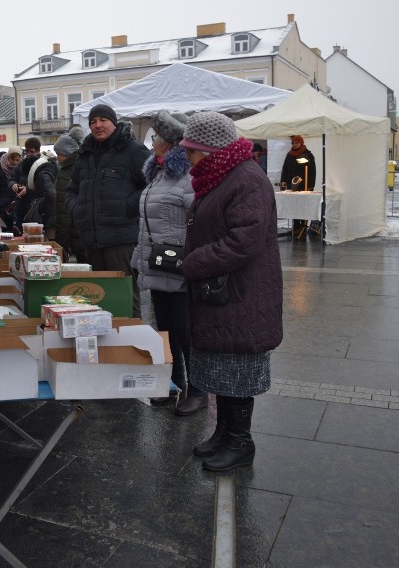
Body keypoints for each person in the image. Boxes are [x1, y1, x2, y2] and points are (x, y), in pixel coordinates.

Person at [178, 111, 283, 472]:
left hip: (241, 295)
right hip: (221, 292)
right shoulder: (222, 176)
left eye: (192, 150)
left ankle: (240, 442)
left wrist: (192, 262)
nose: (188, 158)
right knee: (223, 369)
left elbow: (244, 241)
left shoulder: (246, 179)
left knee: (236, 369)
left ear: (209, 149)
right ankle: (224, 433)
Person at [131, 111, 208, 416]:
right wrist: (139, 257)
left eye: (155, 139)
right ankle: (173, 383)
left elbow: (201, 219)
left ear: (169, 143)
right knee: (164, 330)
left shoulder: (187, 175)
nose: (152, 144)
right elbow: (147, 224)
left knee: (184, 330)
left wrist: (192, 257)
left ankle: (199, 389)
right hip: (157, 263)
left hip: (179, 264)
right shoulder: (159, 174)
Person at [66, 104, 150, 318]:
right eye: (93, 121)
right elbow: (71, 190)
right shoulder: (84, 154)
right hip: (91, 240)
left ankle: (133, 342)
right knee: (98, 297)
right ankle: (106, 346)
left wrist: (127, 207)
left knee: (124, 296)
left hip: (121, 239)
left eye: (103, 120)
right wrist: (78, 210)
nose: (97, 125)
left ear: (114, 123)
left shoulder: (134, 150)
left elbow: (151, 186)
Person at [53, 133, 88, 262]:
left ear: (67, 154)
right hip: (84, 234)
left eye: (59, 154)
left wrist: (60, 246)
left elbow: (64, 214)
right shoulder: (83, 166)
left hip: (77, 234)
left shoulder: (67, 173)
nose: (57, 158)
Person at [280, 135, 316, 238]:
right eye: (293, 143)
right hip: (291, 186)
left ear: (301, 143)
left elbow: (312, 172)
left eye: (296, 143)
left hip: (304, 186)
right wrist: (283, 183)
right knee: (293, 206)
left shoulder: (307, 155)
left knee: (303, 206)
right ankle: (296, 226)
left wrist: (310, 186)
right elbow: (285, 170)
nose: (294, 145)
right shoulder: (289, 155)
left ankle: (303, 226)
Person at [0, 146, 23, 233]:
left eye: (17, 160)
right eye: (12, 159)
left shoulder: (22, 168)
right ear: (7, 157)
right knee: (4, 231)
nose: (14, 162)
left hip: (18, 204)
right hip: (1, 205)